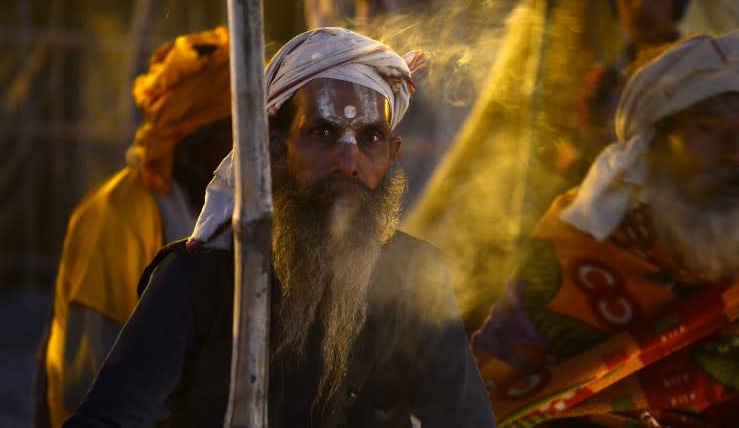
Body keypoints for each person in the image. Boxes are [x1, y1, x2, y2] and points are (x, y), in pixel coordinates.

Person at [63, 27, 495, 428]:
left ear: (393, 152)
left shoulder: (417, 276)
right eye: (323, 132)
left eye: (370, 139)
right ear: (272, 146)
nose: (348, 162)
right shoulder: (198, 278)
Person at [472, 28, 739, 427]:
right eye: (707, 129)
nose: (735, 153)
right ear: (655, 145)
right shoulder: (581, 247)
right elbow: (501, 402)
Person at [41, 27, 233, 428]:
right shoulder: (117, 218)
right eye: (230, 135)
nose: (244, 153)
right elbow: (88, 387)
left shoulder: (202, 205)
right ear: (190, 138)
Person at [561, 0, 691, 186]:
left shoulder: (705, 73)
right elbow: (578, 152)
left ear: (675, 2)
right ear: (615, 3)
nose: (641, 4)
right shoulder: (603, 83)